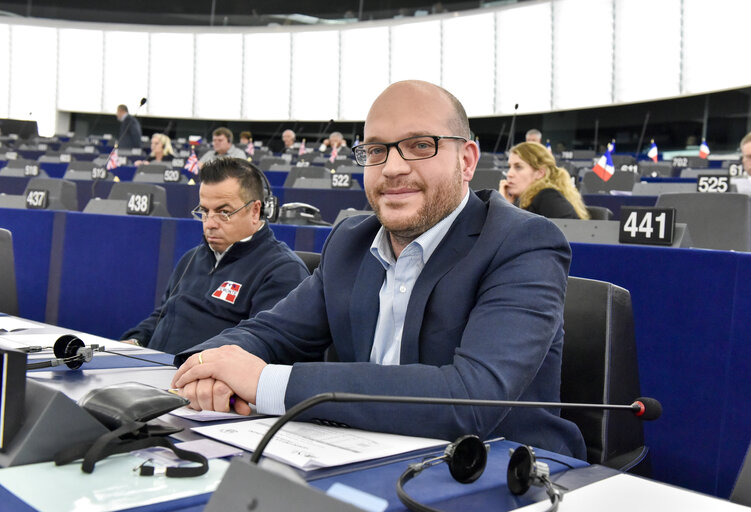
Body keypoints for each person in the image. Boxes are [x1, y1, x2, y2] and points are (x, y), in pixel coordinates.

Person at [171, 80, 586, 459]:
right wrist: (207, 367)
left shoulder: (523, 243)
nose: (392, 167)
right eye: (376, 150)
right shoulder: (351, 241)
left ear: (467, 160)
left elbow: (470, 400)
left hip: (502, 472)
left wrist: (263, 383)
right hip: (359, 458)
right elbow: (271, 332)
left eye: (420, 145)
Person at [121, 157, 309, 354]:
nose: (209, 223)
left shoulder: (282, 271)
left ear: (255, 211)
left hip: (203, 379)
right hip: (152, 369)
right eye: (204, 211)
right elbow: (162, 316)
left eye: (223, 212)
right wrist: (135, 341)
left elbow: (262, 347)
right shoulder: (192, 258)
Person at [500, 142, 589, 220]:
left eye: (518, 167)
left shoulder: (548, 197)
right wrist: (507, 205)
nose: (509, 174)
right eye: (509, 167)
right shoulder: (527, 200)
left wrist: (502, 206)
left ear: (540, 173)